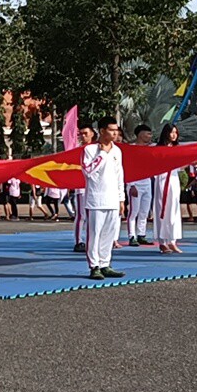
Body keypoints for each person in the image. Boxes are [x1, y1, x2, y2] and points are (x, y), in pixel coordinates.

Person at [82, 117, 126, 280]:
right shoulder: (90, 150)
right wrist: (101, 154)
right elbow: (88, 172)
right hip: (96, 199)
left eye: (116, 130)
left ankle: (105, 263)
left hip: (113, 199)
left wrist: (121, 198)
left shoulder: (117, 151)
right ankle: (94, 266)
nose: (115, 133)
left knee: (110, 234)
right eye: (111, 130)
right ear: (102, 131)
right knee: (95, 234)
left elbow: (119, 175)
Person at [152, 124, 184, 253]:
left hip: (174, 180)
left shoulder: (178, 148)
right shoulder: (159, 149)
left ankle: (172, 240)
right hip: (162, 179)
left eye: (176, 132)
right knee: (162, 209)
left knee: (174, 210)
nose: (174, 135)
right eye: (171, 132)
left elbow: (181, 166)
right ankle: (162, 241)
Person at [125, 125, 154, 246]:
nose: (150, 136)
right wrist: (131, 185)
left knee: (144, 211)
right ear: (140, 134)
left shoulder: (150, 149)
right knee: (133, 211)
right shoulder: (131, 149)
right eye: (148, 134)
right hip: (135, 184)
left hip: (147, 183)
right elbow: (127, 167)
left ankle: (141, 234)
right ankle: (132, 236)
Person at [71, 126, 96, 253]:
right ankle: (78, 241)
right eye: (80, 134)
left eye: (85, 133)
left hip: (95, 187)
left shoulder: (98, 148)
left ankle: (90, 241)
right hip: (81, 186)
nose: (83, 136)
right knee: (81, 215)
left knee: (92, 216)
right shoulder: (78, 150)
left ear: (92, 134)